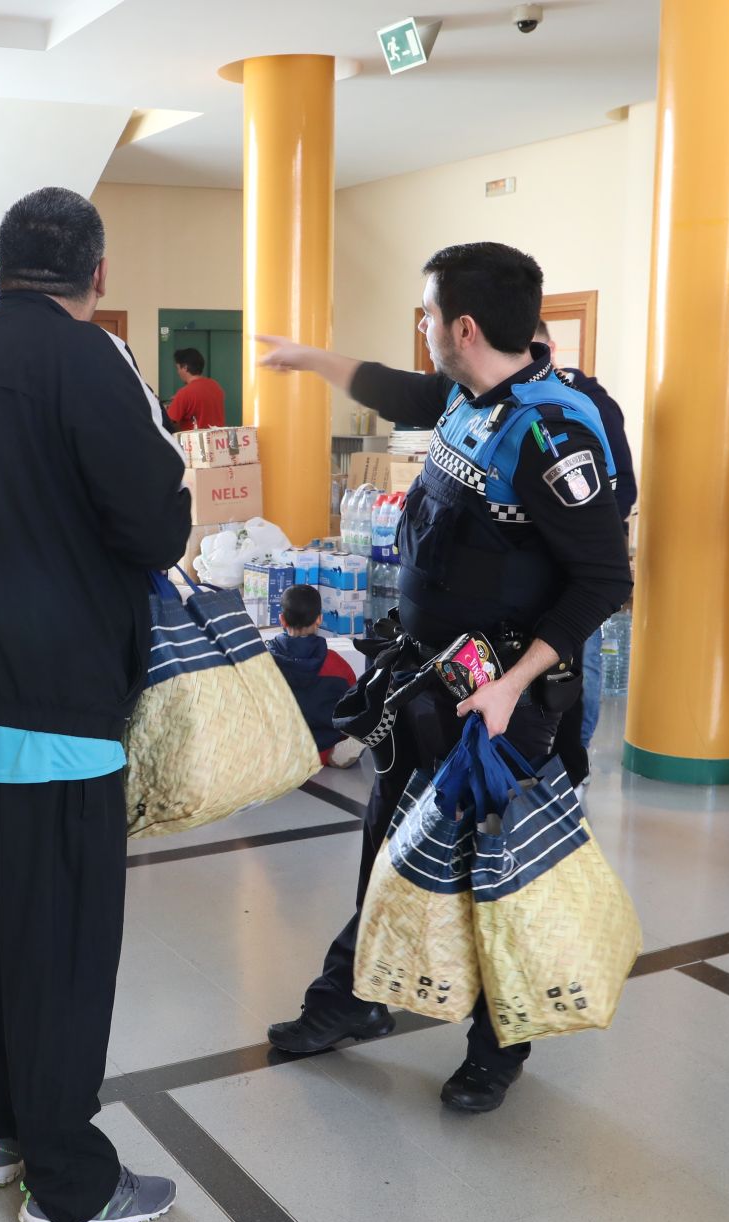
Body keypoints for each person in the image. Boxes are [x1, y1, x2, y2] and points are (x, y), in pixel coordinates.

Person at [254, 241, 632, 1114]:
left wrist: (513, 684)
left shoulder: (551, 433)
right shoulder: (467, 394)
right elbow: (398, 386)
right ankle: (356, 997)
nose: (420, 329)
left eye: (426, 315)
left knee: (488, 872)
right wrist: (313, 360)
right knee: (390, 847)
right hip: (426, 682)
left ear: (462, 327)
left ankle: (500, 1046)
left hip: (502, 700)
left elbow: (606, 580)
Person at [0, 186, 192, 1222]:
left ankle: (3, 1132)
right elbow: (157, 527)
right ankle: (71, 1186)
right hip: (54, 719)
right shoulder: (87, 362)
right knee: (63, 952)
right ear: (99, 276)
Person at [532, 319, 638, 787]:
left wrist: (581, 536)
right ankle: (538, 749)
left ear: (551, 349)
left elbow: (623, 489)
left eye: (535, 351)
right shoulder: (510, 400)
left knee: (583, 653)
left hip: (583, 560)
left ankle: (575, 760)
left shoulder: (589, 402)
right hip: (532, 558)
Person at [268, 584, 358, 766]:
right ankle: (340, 751)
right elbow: (354, 705)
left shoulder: (266, 663)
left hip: (281, 749)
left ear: (282, 620)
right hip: (324, 749)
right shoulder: (337, 664)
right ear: (319, 620)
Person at [165, 347, 225, 432]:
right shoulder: (216, 386)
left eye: (178, 368)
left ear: (185, 367)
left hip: (195, 443)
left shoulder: (185, 393)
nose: (178, 372)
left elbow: (168, 422)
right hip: (217, 441)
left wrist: (172, 405)